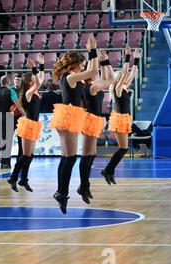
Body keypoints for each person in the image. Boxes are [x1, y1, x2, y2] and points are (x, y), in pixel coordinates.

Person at [50, 35, 98, 214]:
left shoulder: (71, 77)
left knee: (66, 157)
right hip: (68, 116)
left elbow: (91, 72)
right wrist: (92, 51)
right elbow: (92, 72)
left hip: (68, 115)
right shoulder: (70, 77)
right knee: (69, 158)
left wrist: (92, 55)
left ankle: (61, 192)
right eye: (81, 64)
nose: (83, 67)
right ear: (74, 65)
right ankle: (61, 192)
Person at [78, 49, 115, 204]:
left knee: (91, 154)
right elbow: (111, 79)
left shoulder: (92, 85)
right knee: (87, 154)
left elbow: (107, 78)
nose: (95, 74)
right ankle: (83, 186)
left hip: (93, 120)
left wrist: (105, 61)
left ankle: (85, 185)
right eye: (92, 73)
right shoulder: (91, 88)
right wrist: (105, 61)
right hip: (89, 121)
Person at [101, 47, 141, 185]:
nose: (125, 77)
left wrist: (136, 59)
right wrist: (127, 57)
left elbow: (133, 73)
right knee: (123, 148)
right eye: (122, 77)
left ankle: (108, 171)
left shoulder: (124, 86)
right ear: (119, 79)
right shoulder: (117, 89)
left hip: (124, 119)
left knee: (124, 148)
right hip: (119, 120)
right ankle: (108, 170)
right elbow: (125, 73)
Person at [8, 54, 45, 192]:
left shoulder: (33, 91)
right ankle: (13, 177)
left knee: (29, 155)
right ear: (29, 82)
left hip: (33, 125)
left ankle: (23, 179)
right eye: (33, 79)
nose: (35, 80)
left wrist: (41, 65)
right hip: (28, 125)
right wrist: (35, 67)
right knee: (25, 155)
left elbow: (40, 79)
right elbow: (39, 82)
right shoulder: (28, 93)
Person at [0, 75, 22, 169]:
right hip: (8, 115)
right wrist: (23, 113)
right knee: (7, 139)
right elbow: (17, 104)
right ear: (8, 82)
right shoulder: (11, 91)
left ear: (0, 82)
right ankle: (5, 162)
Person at [9, 73, 23, 160]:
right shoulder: (10, 90)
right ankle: (7, 158)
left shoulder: (23, 90)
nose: (17, 81)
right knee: (8, 138)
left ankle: (20, 158)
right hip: (11, 116)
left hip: (20, 116)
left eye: (19, 80)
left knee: (20, 139)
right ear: (13, 81)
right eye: (16, 80)